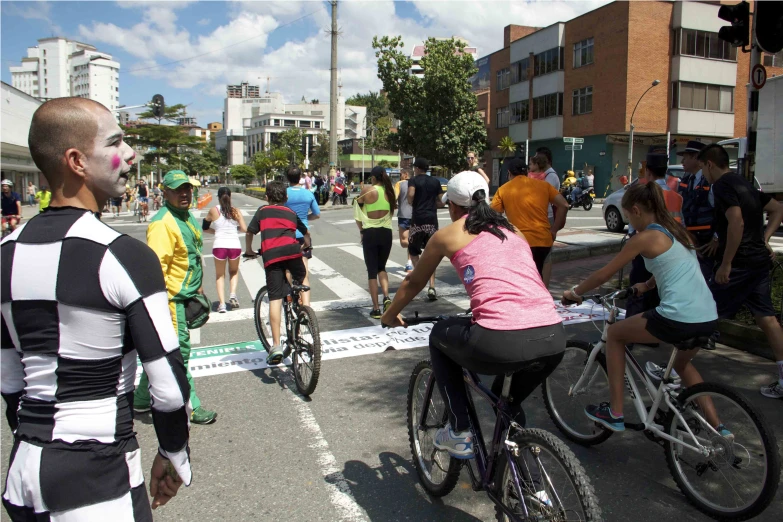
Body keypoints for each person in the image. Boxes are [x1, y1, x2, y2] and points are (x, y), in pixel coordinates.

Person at [2, 97, 190, 520]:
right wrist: (174, 453)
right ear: (77, 161)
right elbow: (168, 384)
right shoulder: (123, 255)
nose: (130, 155)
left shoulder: (4, 254)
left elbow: (11, 380)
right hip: (99, 471)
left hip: (25, 472)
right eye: (116, 142)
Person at [382, 171, 566, 458]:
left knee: (439, 336)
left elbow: (414, 282)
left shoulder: (449, 234)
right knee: (508, 401)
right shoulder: (513, 230)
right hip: (553, 335)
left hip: (500, 338)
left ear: (453, 206)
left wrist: (390, 315)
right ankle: (527, 482)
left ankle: (458, 430)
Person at [562, 182, 728, 435]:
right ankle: (720, 429)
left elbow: (603, 273)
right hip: (707, 316)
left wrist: (574, 293)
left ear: (637, 210)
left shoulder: (644, 238)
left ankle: (615, 412)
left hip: (678, 316)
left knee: (616, 335)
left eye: (628, 216)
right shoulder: (677, 232)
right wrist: (647, 285)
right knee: (682, 366)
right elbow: (673, 266)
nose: (629, 222)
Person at [697, 144, 783, 399]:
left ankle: (674, 372)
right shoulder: (744, 183)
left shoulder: (722, 186)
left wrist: (726, 263)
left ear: (710, 164)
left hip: (741, 264)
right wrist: (764, 238)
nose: (703, 174)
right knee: (766, 319)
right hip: (758, 262)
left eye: (702, 168)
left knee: (702, 310)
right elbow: (778, 208)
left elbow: (737, 221)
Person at [134, 169, 218, 425]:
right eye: (178, 189)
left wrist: (199, 286)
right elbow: (156, 268)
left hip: (186, 295)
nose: (185, 193)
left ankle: (138, 400)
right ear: (165, 193)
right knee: (179, 353)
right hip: (171, 300)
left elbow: (191, 257)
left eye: (188, 188)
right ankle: (192, 407)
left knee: (168, 351)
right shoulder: (162, 223)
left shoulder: (188, 217)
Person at [244, 181, 311, 365]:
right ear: (286, 198)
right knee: (301, 275)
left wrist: (249, 250)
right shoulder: (291, 213)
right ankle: (301, 307)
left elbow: (250, 232)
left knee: (275, 298)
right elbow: (305, 234)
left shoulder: (262, 211)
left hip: (272, 256)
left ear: (267, 197)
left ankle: (275, 346)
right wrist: (305, 246)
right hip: (292, 252)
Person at [625, 151, 683, 318]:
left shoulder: (642, 196)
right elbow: (681, 225)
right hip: (670, 252)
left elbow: (632, 229)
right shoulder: (677, 197)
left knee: (637, 291)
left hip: (645, 251)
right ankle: (652, 337)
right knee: (658, 294)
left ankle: (629, 337)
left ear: (648, 171)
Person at [491, 158, 569, 274]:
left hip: (520, 241)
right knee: (539, 275)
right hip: (543, 241)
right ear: (527, 172)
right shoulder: (544, 186)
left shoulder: (503, 190)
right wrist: (554, 230)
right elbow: (564, 205)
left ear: (509, 173)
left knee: (523, 278)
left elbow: (494, 214)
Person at [355, 166, 396, 318]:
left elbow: (357, 214)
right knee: (382, 267)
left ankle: (376, 308)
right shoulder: (390, 192)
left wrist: (361, 231)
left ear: (372, 177)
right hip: (386, 233)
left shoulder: (366, 191)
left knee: (372, 272)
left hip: (370, 232)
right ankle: (386, 297)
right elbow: (392, 212)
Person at [203, 187, 247, 313]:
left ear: (218, 197)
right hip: (234, 245)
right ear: (230, 196)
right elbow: (244, 229)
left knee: (220, 275)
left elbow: (205, 227)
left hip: (219, 245)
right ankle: (232, 294)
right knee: (233, 272)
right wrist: (235, 229)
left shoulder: (213, 210)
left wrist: (216, 231)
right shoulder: (236, 211)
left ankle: (222, 304)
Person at [407, 157, 446, 300]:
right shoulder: (435, 182)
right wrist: (432, 205)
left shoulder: (414, 180)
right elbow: (442, 201)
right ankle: (432, 286)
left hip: (417, 220)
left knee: (413, 250)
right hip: (432, 220)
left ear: (417, 168)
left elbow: (410, 196)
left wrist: (413, 202)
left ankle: (420, 276)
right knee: (431, 254)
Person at [677, 141, 715, 280]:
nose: (682, 161)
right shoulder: (686, 179)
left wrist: (716, 238)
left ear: (696, 158)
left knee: (703, 281)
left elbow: (721, 212)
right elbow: (681, 211)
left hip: (706, 243)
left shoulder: (709, 181)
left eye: (686, 157)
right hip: (689, 239)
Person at [285, 166, 320, 306]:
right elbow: (317, 214)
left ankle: (289, 297)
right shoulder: (308, 194)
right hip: (303, 235)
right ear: (300, 177)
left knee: (287, 268)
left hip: (286, 235)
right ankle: (306, 306)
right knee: (304, 271)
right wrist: (305, 218)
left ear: (287, 178)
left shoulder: (283, 194)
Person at [534, 149, 561, 287]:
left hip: (546, 217)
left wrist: (555, 228)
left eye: (538, 158)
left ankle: (545, 286)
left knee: (547, 256)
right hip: (538, 217)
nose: (535, 161)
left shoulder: (551, 176)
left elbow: (542, 196)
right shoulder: (543, 175)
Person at [395, 168, 414, 271]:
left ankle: (409, 262)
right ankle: (415, 246)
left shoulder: (399, 184)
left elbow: (394, 196)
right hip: (414, 215)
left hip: (404, 215)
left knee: (404, 241)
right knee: (408, 241)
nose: (400, 176)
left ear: (405, 174)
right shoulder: (416, 182)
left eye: (401, 174)